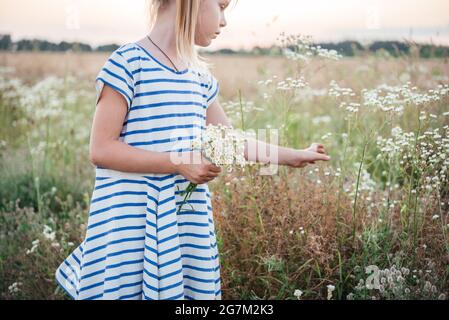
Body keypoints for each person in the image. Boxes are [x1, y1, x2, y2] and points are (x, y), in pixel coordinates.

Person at [55, 0, 330, 300]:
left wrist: (293, 155)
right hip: (131, 226)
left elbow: (230, 141)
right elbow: (101, 149)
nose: (224, 21)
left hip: (182, 225)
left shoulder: (199, 78)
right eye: (221, 6)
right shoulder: (127, 63)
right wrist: (178, 163)